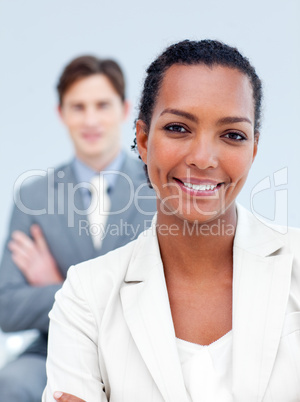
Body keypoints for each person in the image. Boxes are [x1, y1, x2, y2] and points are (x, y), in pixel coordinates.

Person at [42, 40, 300, 402]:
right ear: (143, 140)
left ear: (253, 150)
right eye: (179, 128)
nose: (203, 158)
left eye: (232, 135)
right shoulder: (87, 296)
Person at [0, 55, 155, 402]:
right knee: (11, 384)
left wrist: (61, 286)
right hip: (53, 350)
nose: (90, 120)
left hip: (140, 353)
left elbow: (167, 293)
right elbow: (7, 307)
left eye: (102, 105)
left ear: (124, 109)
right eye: (78, 107)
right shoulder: (32, 197)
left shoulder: (157, 189)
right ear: (61, 114)